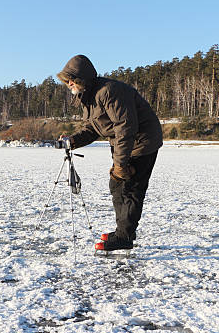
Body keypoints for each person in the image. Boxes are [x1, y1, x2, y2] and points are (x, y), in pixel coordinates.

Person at [56, 55, 163, 251]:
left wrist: (121, 164)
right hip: (126, 143)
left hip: (142, 142)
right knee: (116, 185)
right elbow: (94, 128)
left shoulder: (109, 91)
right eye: (66, 80)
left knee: (131, 188)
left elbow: (125, 127)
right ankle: (123, 230)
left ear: (82, 78)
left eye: (71, 79)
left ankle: (124, 237)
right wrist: (73, 140)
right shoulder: (88, 96)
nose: (68, 84)